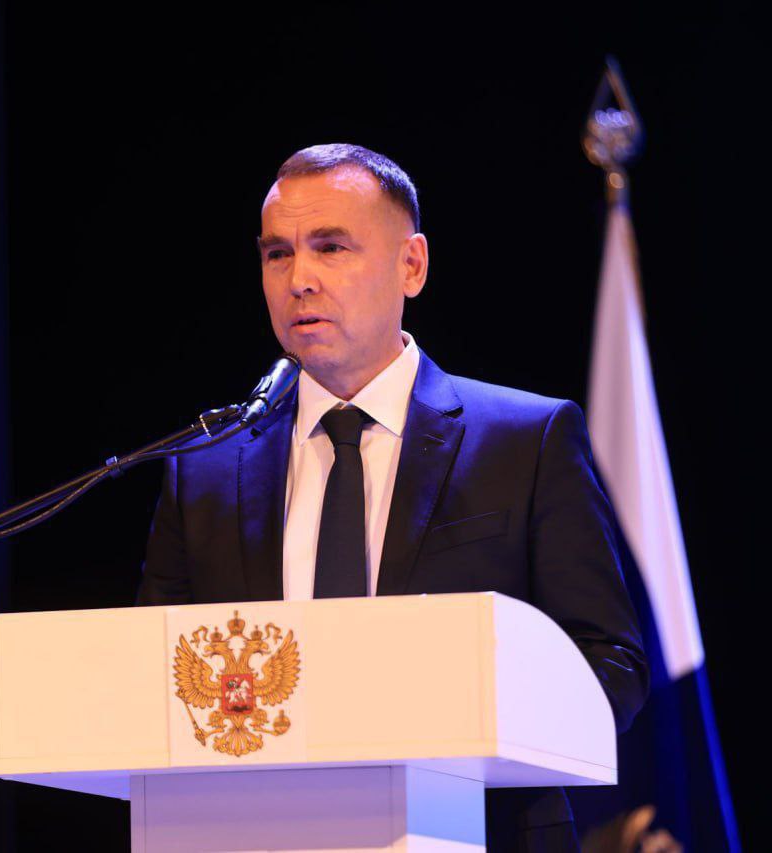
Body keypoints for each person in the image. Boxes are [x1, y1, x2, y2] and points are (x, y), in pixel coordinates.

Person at [136, 143, 648, 851]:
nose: (299, 279)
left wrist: (466, 730)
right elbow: (153, 681)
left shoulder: (526, 440)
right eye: (277, 254)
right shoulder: (205, 467)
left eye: (331, 247)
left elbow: (609, 663)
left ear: (412, 265)